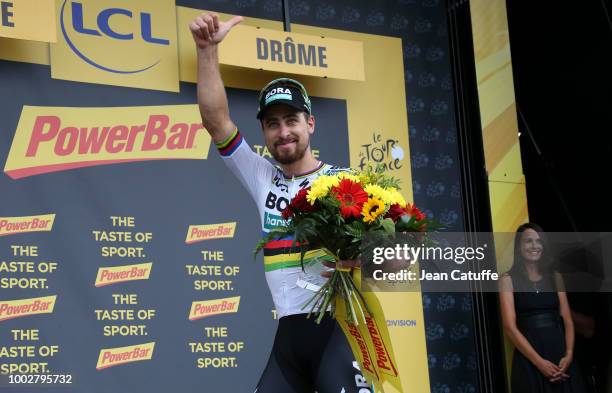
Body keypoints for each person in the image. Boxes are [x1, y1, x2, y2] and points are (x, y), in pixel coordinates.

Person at [189, 12, 370, 393]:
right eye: (272, 123)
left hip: (337, 333)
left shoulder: (344, 183)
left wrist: (368, 259)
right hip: (288, 338)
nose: (283, 131)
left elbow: (398, 257)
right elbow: (215, 119)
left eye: (291, 120)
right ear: (265, 133)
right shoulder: (261, 175)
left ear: (311, 124)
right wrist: (207, 51)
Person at [499, 223, 586, 393]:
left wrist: (568, 354)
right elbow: (510, 328)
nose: (534, 246)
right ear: (518, 246)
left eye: (539, 241)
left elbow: (567, 320)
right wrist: (539, 363)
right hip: (530, 360)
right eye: (528, 241)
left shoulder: (555, 277)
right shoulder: (507, 280)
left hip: (561, 359)